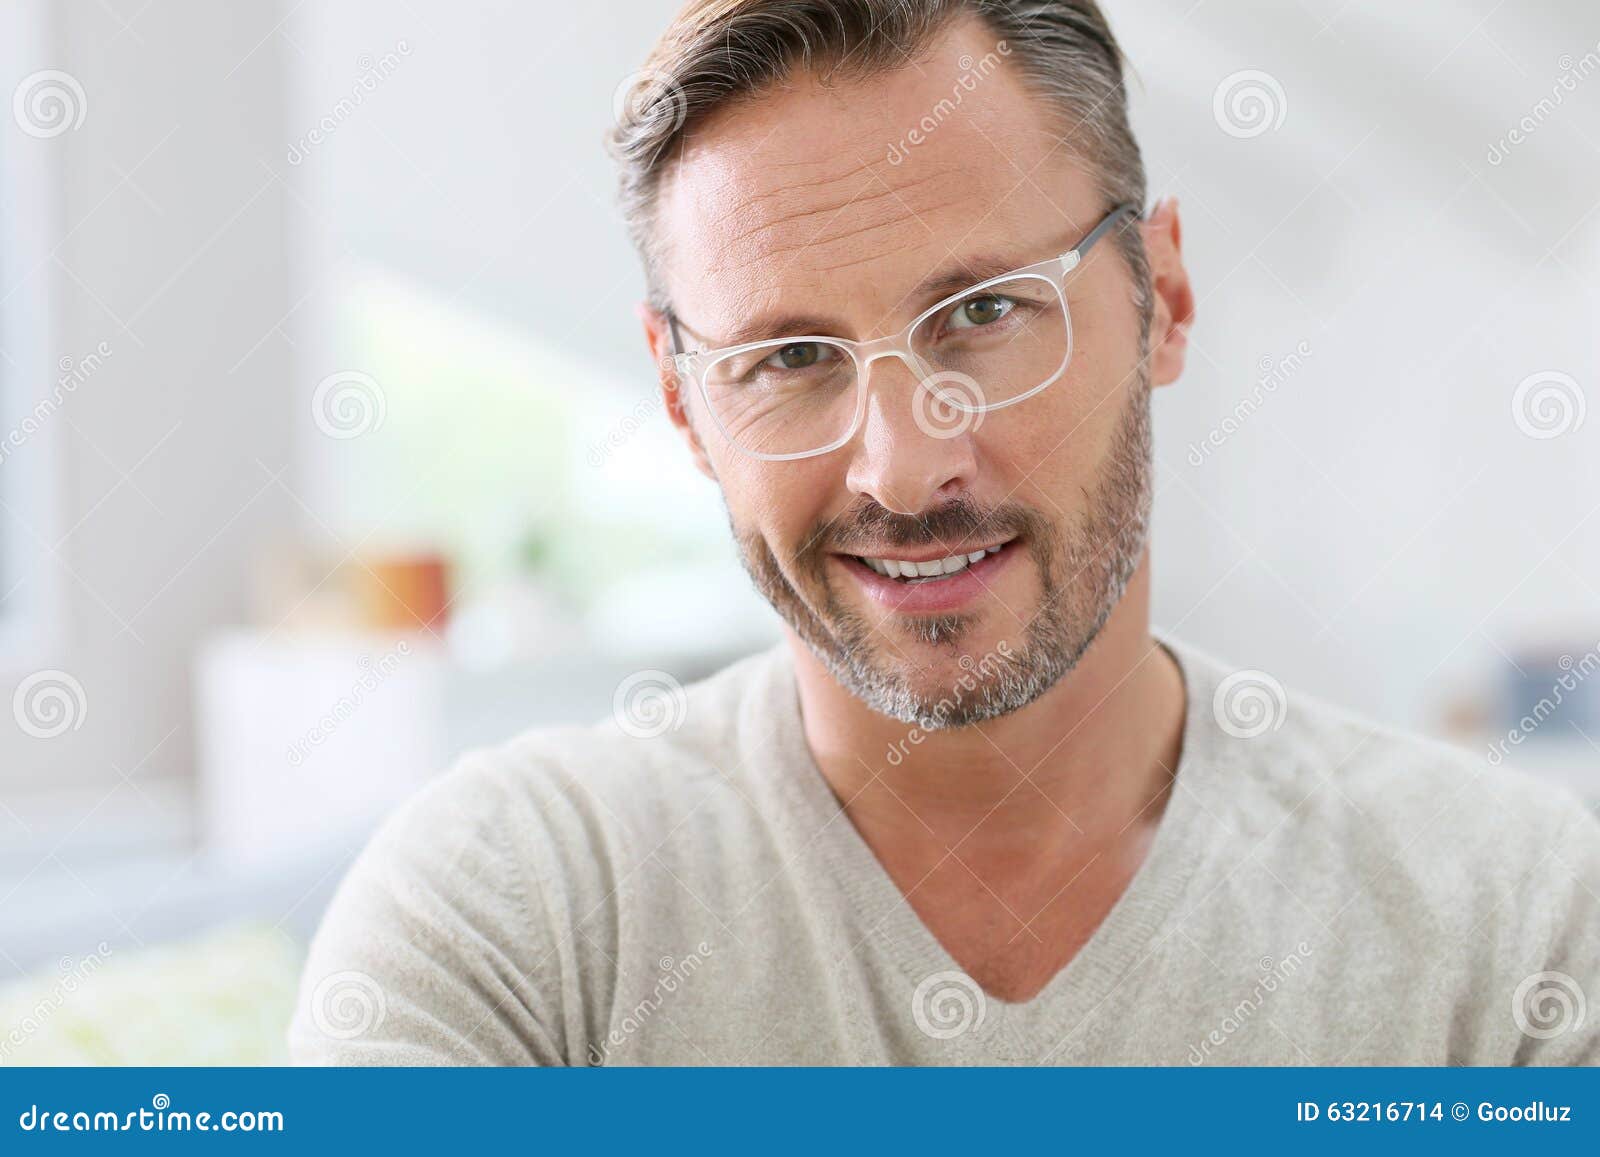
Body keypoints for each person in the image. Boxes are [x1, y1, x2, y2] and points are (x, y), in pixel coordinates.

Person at [290, 0, 1600, 1065]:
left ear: (1168, 298)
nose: (903, 467)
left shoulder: (1520, 929)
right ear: (685, 398)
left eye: (982, 314)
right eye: (791, 356)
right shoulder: (518, 917)